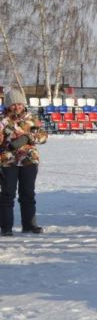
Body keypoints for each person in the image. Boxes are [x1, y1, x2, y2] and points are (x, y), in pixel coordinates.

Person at [0, 87, 48, 236]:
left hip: (29, 161)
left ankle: (29, 225)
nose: (17, 107)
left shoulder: (31, 119)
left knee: (28, 194)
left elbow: (43, 136)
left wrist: (28, 137)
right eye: (13, 104)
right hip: (8, 162)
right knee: (7, 195)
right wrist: (6, 142)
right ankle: (6, 228)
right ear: (8, 105)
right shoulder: (3, 121)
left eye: (19, 104)